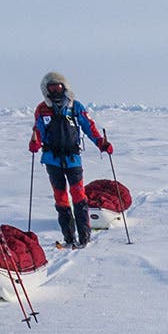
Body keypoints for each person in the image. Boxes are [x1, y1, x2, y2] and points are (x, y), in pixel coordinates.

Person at [29, 71, 112, 249]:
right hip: (52, 160)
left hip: (73, 159)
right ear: (46, 90)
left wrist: (101, 143)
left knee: (78, 196)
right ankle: (68, 237)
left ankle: (84, 236)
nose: (55, 91)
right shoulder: (42, 109)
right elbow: (38, 130)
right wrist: (35, 143)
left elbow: (88, 127)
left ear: (64, 87)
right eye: (51, 88)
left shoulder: (75, 107)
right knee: (60, 198)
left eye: (58, 87)